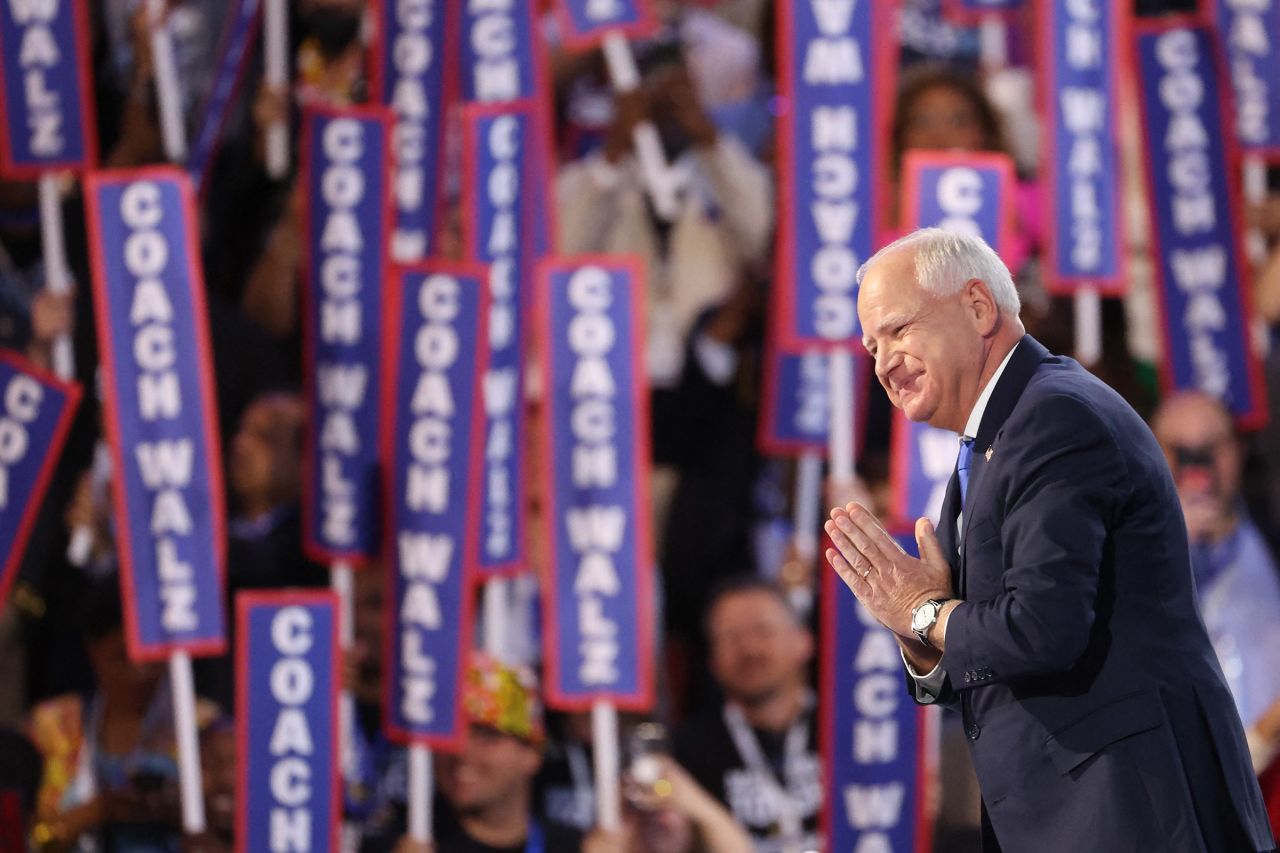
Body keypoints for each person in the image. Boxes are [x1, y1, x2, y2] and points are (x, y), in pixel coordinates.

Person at [823, 227, 1274, 852]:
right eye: (871, 347)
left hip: (1132, 810)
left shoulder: (1054, 418)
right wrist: (920, 633)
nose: (883, 364)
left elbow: (1042, 628)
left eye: (899, 330)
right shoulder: (995, 438)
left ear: (979, 308)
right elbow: (991, 653)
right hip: (1080, 813)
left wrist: (924, 612)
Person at [1151, 391, 1280, 752]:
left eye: (1211, 446)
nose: (1198, 466)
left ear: (1238, 451)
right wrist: (1166, 542)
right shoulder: (1125, 552)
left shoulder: (1271, 536)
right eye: (1180, 450)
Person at [672, 578, 820, 853]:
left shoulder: (858, 729)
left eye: (763, 631)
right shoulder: (684, 755)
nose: (749, 649)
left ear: (804, 641)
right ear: (712, 660)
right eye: (731, 636)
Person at [394, 653, 583, 853]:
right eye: (451, 732)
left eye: (487, 736)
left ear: (532, 753)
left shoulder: (573, 847)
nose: (462, 751)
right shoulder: (402, 839)